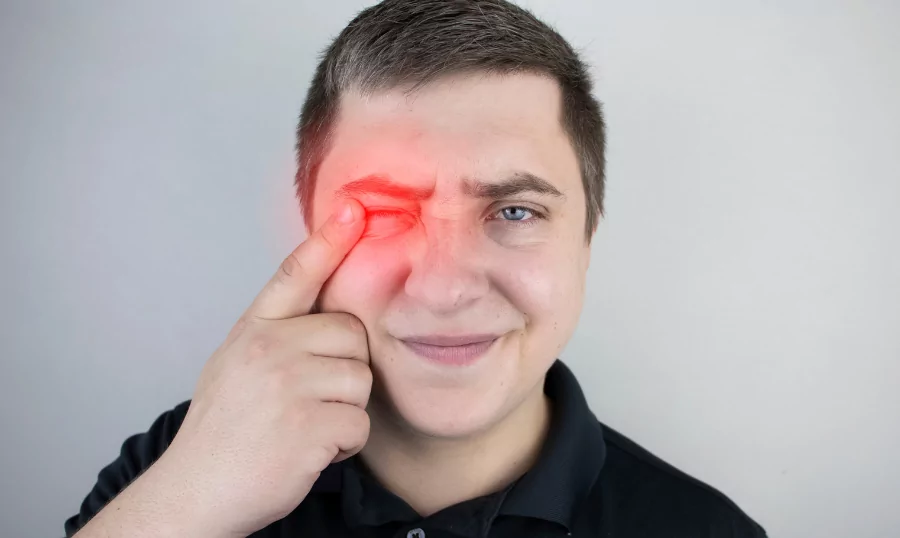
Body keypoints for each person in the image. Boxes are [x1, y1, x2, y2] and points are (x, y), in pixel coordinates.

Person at [64, 1, 767, 536]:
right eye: (384, 213)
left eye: (515, 212)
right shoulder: (183, 461)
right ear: (311, 235)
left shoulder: (705, 530)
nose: (445, 286)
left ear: (586, 238)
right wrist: (187, 500)